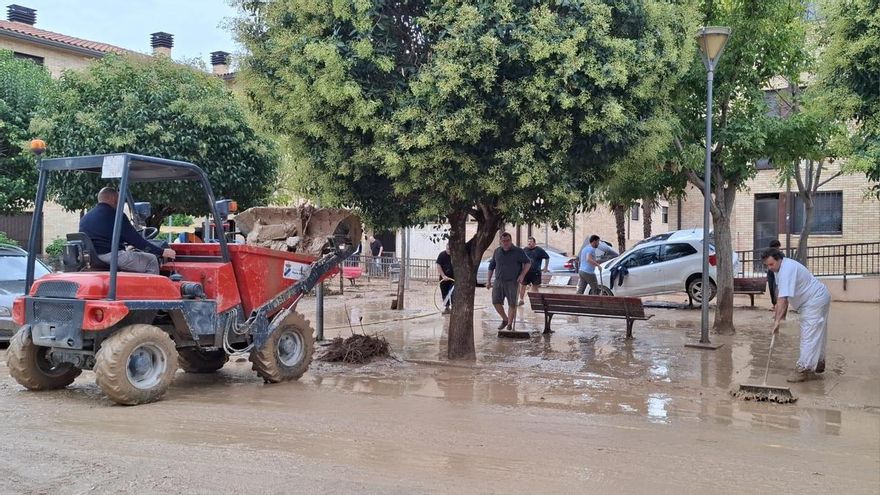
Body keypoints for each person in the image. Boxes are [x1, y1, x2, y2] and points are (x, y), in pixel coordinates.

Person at [762, 248, 831, 382]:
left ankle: (803, 369)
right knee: (817, 330)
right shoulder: (779, 269)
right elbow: (781, 294)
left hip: (814, 300)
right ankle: (818, 363)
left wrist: (776, 322)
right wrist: (780, 317)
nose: (770, 268)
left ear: (779, 259)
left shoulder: (787, 269)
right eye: (767, 265)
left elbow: (783, 298)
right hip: (816, 298)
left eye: (771, 264)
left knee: (808, 333)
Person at [79, 187, 175, 274]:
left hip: (92, 257)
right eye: (118, 198)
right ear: (113, 198)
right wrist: (162, 252)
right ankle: (150, 292)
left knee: (133, 256)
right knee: (151, 260)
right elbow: (137, 241)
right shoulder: (117, 216)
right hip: (112, 257)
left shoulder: (85, 218)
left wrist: (127, 247)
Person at [486, 232, 531, 330]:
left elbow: (528, 263)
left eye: (507, 241)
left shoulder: (518, 251)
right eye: (503, 241)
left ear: (511, 240)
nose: (506, 243)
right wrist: (488, 280)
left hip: (513, 282)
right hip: (498, 281)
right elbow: (491, 266)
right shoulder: (497, 251)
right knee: (495, 302)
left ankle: (510, 324)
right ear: (500, 242)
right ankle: (505, 319)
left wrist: (522, 275)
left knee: (512, 303)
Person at [518, 236, 550, 305]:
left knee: (535, 286)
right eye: (528, 241)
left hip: (536, 272)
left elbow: (547, 257)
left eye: (531, 242)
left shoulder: (539, 250)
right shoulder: (525, 250)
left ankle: (535, 302)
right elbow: (521, 260)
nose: (529, 243)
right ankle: (521, 300)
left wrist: (545, 267)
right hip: (525, 272)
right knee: (522, 286)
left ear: (534, 243)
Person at [435, 242, 455, 314]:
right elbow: (438, 265)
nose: (448, 250)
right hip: (443, 279)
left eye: (450, 249)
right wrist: (443, 275)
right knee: (444, 293)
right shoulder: (442, 255)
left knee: (453, 293)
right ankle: (447, 308)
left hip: (453, 279)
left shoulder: (455, 255)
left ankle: (454, 308)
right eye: (447, 249)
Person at [766, 239, 782, 311]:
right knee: (771, 289)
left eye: (777, 247)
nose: (777, 249)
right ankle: (774, 304)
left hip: (778, 273)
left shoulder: (780, 254)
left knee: (776, 289)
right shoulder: (768, 254)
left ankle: (778, 306)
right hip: (770, 274)